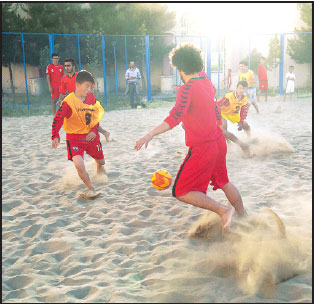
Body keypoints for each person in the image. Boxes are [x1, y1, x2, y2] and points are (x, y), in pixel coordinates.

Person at [135, 44, 246, 232]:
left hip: (203, 147)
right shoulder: (205, 80)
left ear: (180, 68)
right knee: (224, 181)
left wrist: (150, 133)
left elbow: (175, 117)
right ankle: (244, 217)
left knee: (180, 190)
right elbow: (202, 97)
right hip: (219, 141)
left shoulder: (186, 90)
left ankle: (224, 210)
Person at [51, 70, 105, 199]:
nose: (90, 89)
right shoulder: (68, 102)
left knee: (101, 161)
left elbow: (96, 117)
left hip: (91, 138)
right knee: (79, 164)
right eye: (87, 86)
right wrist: (55, 135)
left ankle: (99, 168)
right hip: (74, 140)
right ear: (77, 85)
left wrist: (93, 130)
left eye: (91, 86)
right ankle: (91, 189)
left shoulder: (92, 98)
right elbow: (58, 119)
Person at [57, 58, 110, 142]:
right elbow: (62, 93)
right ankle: (104, 133)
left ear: (73, 66)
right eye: (65, 66)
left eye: (69, 66)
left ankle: (102, 133)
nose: (67, 68)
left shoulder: (80, 76)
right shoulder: (64, 79)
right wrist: (60, 100)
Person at [217, 80, 251, 157]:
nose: (242, 90)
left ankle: (250, 138)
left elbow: (243, 111)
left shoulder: (245, 99)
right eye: (240, 88)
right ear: (237, 88)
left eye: (244, 89)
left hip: (234, 115)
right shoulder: (229, 96)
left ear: (246, 90)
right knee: (223, 130)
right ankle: (240, 144)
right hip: (224, 114)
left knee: (246, 125)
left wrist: (241, 122)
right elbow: (219, 104)